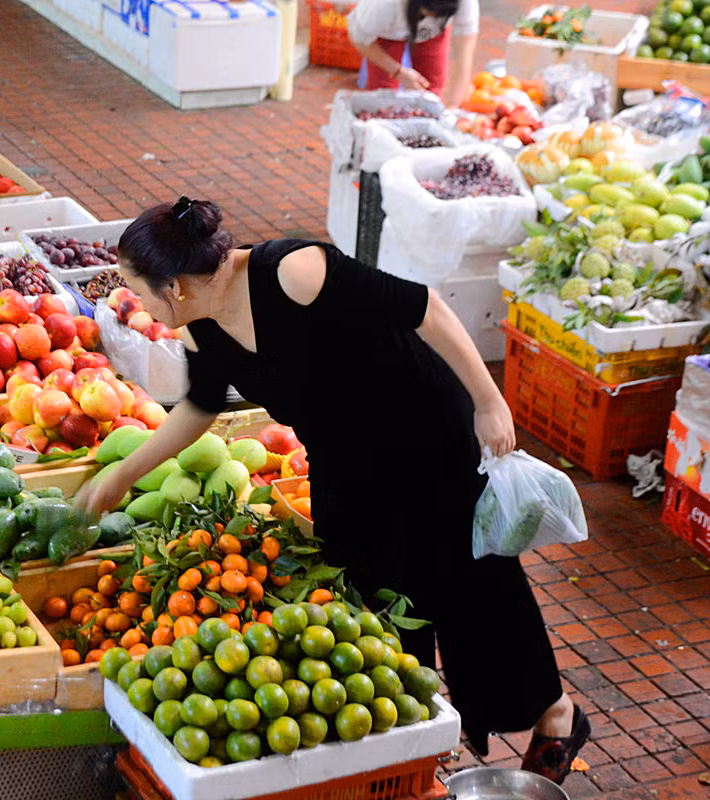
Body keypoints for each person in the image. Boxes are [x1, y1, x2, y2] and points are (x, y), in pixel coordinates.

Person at [75, 197, 591, 782]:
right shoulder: (199, 327)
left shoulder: (292, 272)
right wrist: (119, 475)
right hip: (344, 457)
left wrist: (490, 401)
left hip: (426, 430)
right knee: (372, 597)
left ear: (176, 286)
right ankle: (413, 740)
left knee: (469, 579)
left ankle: (554, 714)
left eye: (139, 290)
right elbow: (200, 404)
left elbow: (425, 309)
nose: (136, 304)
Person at [347, 0, 478, 109]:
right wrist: (397, 71)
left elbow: (464, 55)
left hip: (434, 34)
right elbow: (359, 39)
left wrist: (452, 108)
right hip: (388, 32)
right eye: (425, 15)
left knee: (430, 93)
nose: (429, 20)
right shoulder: (381, 5)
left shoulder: (466, 3)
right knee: (384, 99)